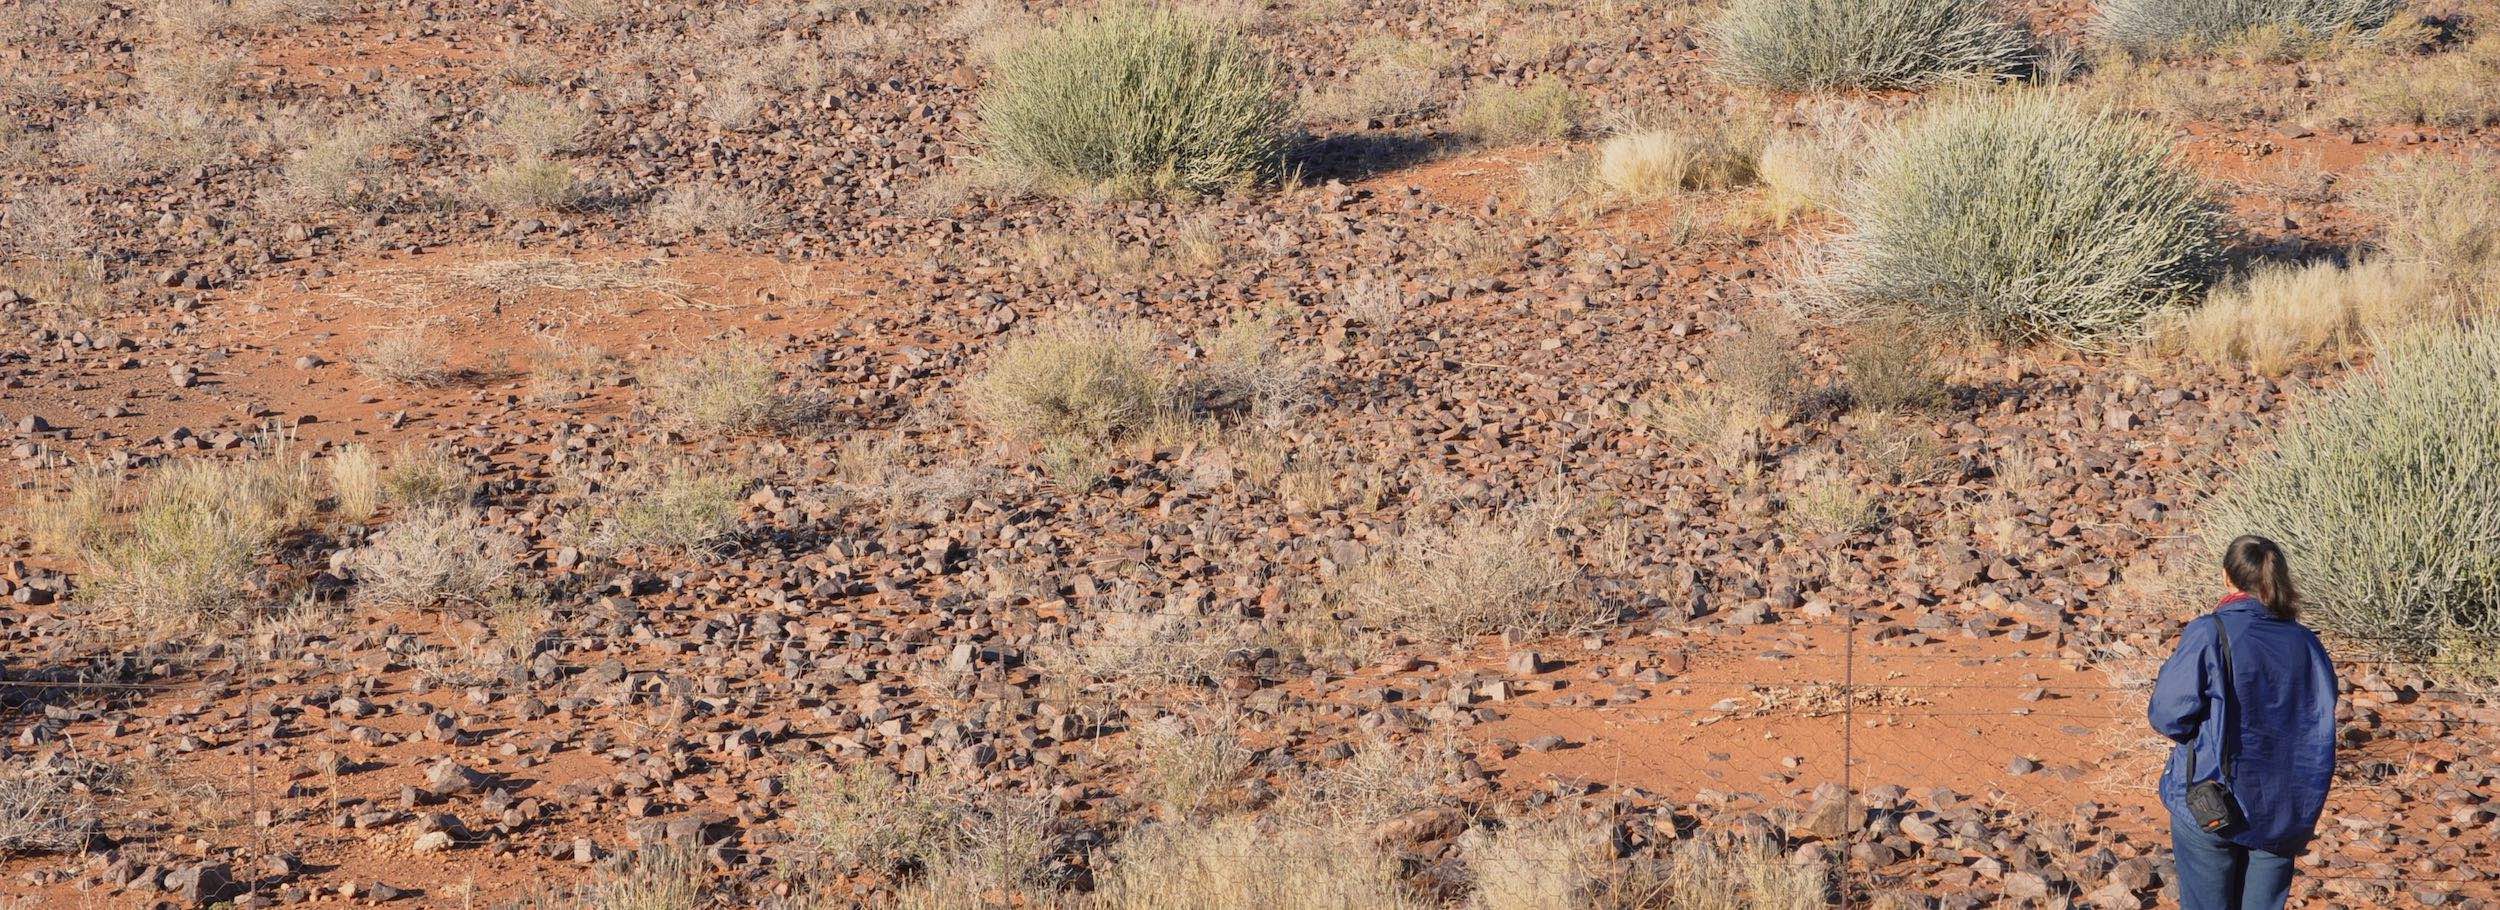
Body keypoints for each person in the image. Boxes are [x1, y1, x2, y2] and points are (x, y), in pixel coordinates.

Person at [2149, 535, 2338, 910]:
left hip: (2211, 801)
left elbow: (2168, 715)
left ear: (2226, 577)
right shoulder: (2307, 643)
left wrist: (2200, 737)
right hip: (2284, 808)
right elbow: (2320, 722)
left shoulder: (2209, 633)